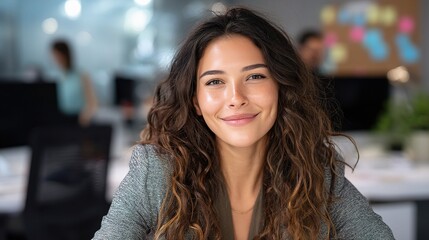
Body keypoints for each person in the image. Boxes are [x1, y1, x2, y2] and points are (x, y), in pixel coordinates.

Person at [93, 7, 394, 240]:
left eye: (255, 76)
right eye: (215, 82)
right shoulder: (158, 172)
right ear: (195, 101)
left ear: (280, 87)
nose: (235, 98)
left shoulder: (315, 173)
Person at [51, 40, 98, 126]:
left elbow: (93, 102)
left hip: (80, 119)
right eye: (54, 55)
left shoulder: (81, 74)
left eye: (58, 55)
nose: (56, 59)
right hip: (62, 119)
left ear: (66, 54)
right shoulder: (57, 76)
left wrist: (86, 116)